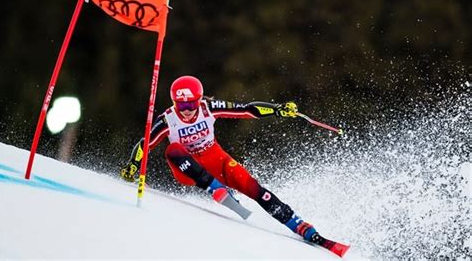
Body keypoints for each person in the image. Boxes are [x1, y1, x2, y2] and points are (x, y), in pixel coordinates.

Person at [120, 75, 349, 256]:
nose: (187, 109)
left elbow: (247, 109)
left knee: (255, 189)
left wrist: (277, 109)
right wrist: (133, 165)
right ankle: (213, 187)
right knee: (173, 150)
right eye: (182, 105)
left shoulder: (209, 107)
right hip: (188, 168)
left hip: (215, 159)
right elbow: (145, 143)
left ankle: (300, 226)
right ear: (174, 103)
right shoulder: (168, 119)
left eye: (191, 103)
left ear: (198, 100)